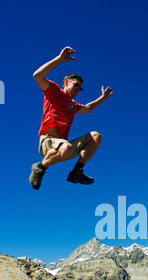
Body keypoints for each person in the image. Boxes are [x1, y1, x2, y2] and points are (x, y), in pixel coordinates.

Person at [29, 46, 113, 190]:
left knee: (95, 136)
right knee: (66, 147)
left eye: (80, 88)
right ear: (66, 82)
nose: (78, 90)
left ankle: (76, 172)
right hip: (47, 140)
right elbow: (37, 76)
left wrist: (103, 98)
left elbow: (88, 108)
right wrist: (60, 59)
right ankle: (39, 167)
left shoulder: (73, 105)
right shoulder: (54, 91)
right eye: (76, 85)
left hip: (61, 147)